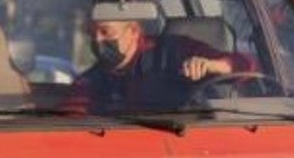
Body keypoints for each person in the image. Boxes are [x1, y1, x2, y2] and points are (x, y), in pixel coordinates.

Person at [66, 12, 251, 114]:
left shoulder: (174, 50)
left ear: (133, 32)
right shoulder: (90, 80)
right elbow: (71, 122)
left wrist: (212, 66)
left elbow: (245, 66)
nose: (97, 40)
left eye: (105, 32)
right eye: (92, 34)